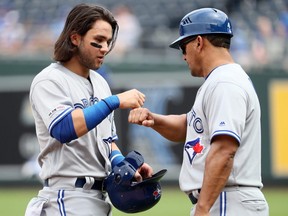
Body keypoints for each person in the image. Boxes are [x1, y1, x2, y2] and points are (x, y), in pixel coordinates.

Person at [128, 8, 269, 216]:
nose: (184, 56)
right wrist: (154, 119)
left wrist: (203, 209)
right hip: (224, 199)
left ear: (199, 42)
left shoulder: (225, 82)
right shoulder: (220, 79)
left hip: (227, 201)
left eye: (183, 47)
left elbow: (224, 150)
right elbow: (189, 128)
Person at [25, 3, 153, 216]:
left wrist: (125, 166)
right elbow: (64, 128)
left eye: (108, 42)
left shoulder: (101, 83)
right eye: (99, 40)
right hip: (66, 197)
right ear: (75, 38)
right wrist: (113, 102)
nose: (105, 48)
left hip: (98, 199)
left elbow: (108, 143)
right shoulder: (49, 80)